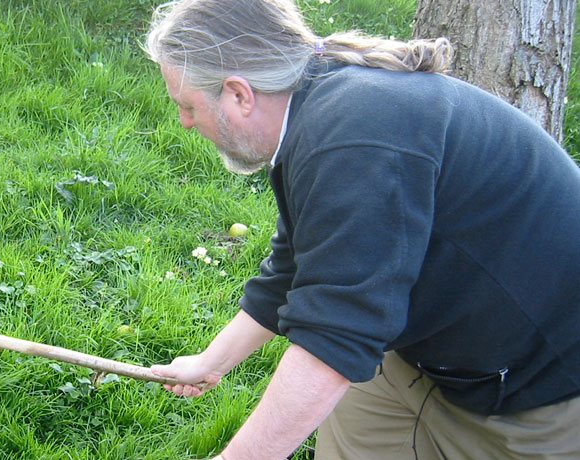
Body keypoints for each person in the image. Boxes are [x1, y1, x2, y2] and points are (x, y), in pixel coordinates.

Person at [143, 0, 580, 459]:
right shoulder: (316, 107)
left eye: (187, 104)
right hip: (430, 359)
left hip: (540, 391)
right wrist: (210, 362)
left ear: (238, 94)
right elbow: (299, 262)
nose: (184, 121)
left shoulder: (355, 135)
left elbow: (334, 340)